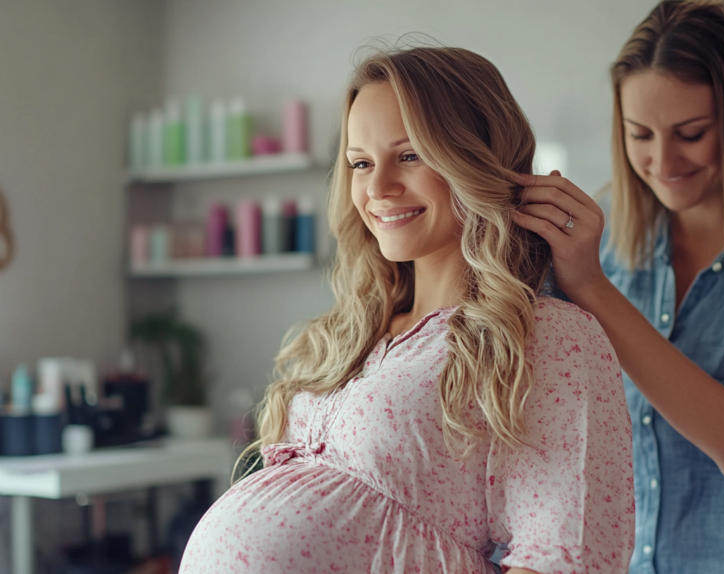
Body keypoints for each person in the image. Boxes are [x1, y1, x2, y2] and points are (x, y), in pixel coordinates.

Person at [179, 46, 634, 574]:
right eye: (360, 163)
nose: (377, 188)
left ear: (477, 158)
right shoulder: (355, 331)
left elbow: (562, 558)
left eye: (410, 155)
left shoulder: (546, 337)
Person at [513, 1, 724, 573]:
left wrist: (595, 291)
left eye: (691, 134)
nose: (662, 161)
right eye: (639, 135)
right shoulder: (601, 233)